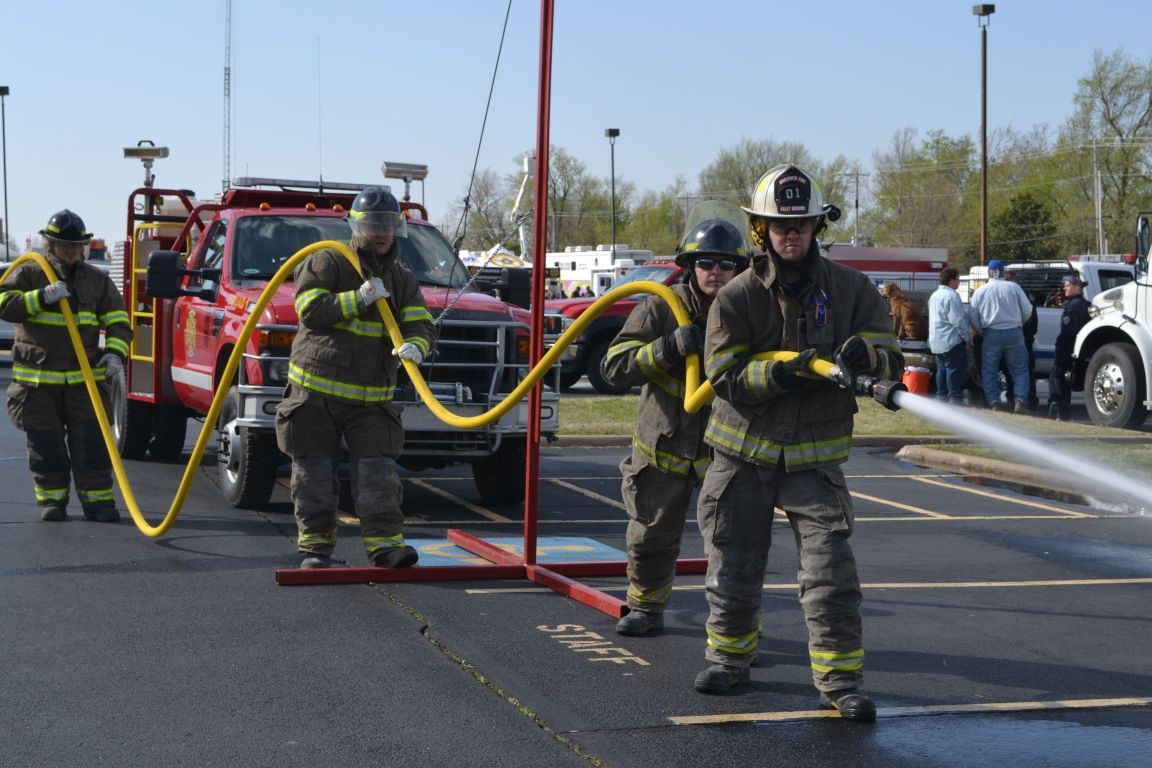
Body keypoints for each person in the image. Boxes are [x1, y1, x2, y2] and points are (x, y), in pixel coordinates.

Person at [694, 165, 902, 722]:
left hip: (815, 460)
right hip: (743, 454)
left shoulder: (851, 289)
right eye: (781, 226)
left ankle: (840, 682)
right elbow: (725, 375)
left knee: (831, 574)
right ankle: (729, 659)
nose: (793, 235)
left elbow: (891, 352)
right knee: (733, 565)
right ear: (760, 230)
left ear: (816, 227)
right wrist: (789, 372)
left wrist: (869, 356)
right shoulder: (736, 297)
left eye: (803, 225)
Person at [600, 204, 750, 637]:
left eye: (727, 264)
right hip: (662, 448)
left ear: (740, 268)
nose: (716, 271)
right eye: (705, 262)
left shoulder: (746, 312)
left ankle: (733, 631)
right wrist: (667, 348)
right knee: (650, 536)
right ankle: (645, 609)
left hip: (722, 451)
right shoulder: (660, 308)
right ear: (689, 265)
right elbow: (613, 367)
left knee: (730, 545)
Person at [275, 187, 436, 569]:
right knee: (314, 473)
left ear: (396, 228)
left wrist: (417, 347)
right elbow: (309, 309)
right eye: (371, 224)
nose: (379, 232)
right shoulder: (329, 261)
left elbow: (422, 325)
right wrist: (356, 298)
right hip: (315, 393)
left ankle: (386, 549)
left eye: (386, 224)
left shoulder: (401, 279)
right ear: (355, 225)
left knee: (379, 475)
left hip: (373, 399)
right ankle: (315, 551)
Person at [0, 210, 132, 522]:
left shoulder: (96, 280)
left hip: (83, 383)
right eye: (64, 246)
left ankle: (98, 503)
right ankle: (52, 501)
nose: (72, 251)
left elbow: (119, 321)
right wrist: (40, 298)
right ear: (51, 245)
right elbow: (4, 303)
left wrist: (114, 355)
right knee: (46, 447)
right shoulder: (31, 272)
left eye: (77, 246)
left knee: (92, 446)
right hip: (37, 384)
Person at [969, 259, 1033, 412]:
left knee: (989, 370)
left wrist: (981, 330)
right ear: (1003, 272)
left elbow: (972, 315)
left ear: (989, 273)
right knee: (1020, 370)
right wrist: (1019, 323)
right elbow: (1028, 310)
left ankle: (994, 402)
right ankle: (1020, 401)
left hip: (991, 333)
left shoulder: (981, 291)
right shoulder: (1014, 287)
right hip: (1014, 331)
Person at [1048, 274, 1091, 421]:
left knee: (1058, 377)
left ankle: (1060, 411)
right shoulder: (1087, 304)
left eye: (1067, 285)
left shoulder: (1073, 306)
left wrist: (1059, 345)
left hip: (1067, 348)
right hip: (1080, 350)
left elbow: (1068, 330)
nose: (1064, 288)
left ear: (1076, 287)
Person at [927, 267, 970, 406]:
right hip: (951, 340)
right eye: (958, 279)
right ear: (951, 280)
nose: (958, 282)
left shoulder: (934, 296)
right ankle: (954, 399)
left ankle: (941, 397)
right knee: (954, 370)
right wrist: (966, 337)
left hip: (936, 340)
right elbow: (958, 320)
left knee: (941, 370)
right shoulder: (952, 296)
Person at [1001, 270, 1038, 410]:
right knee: (1010, 371)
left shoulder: (1023, 294)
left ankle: (1030, 402)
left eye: (1009, 279)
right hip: (1013, 338)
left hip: (1024, 339)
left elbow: (1031, 320)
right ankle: (1013, 399)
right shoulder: (1007, 294)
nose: (1006, 282)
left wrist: (1025, 336)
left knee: (1026, 371)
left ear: (1015, 279)